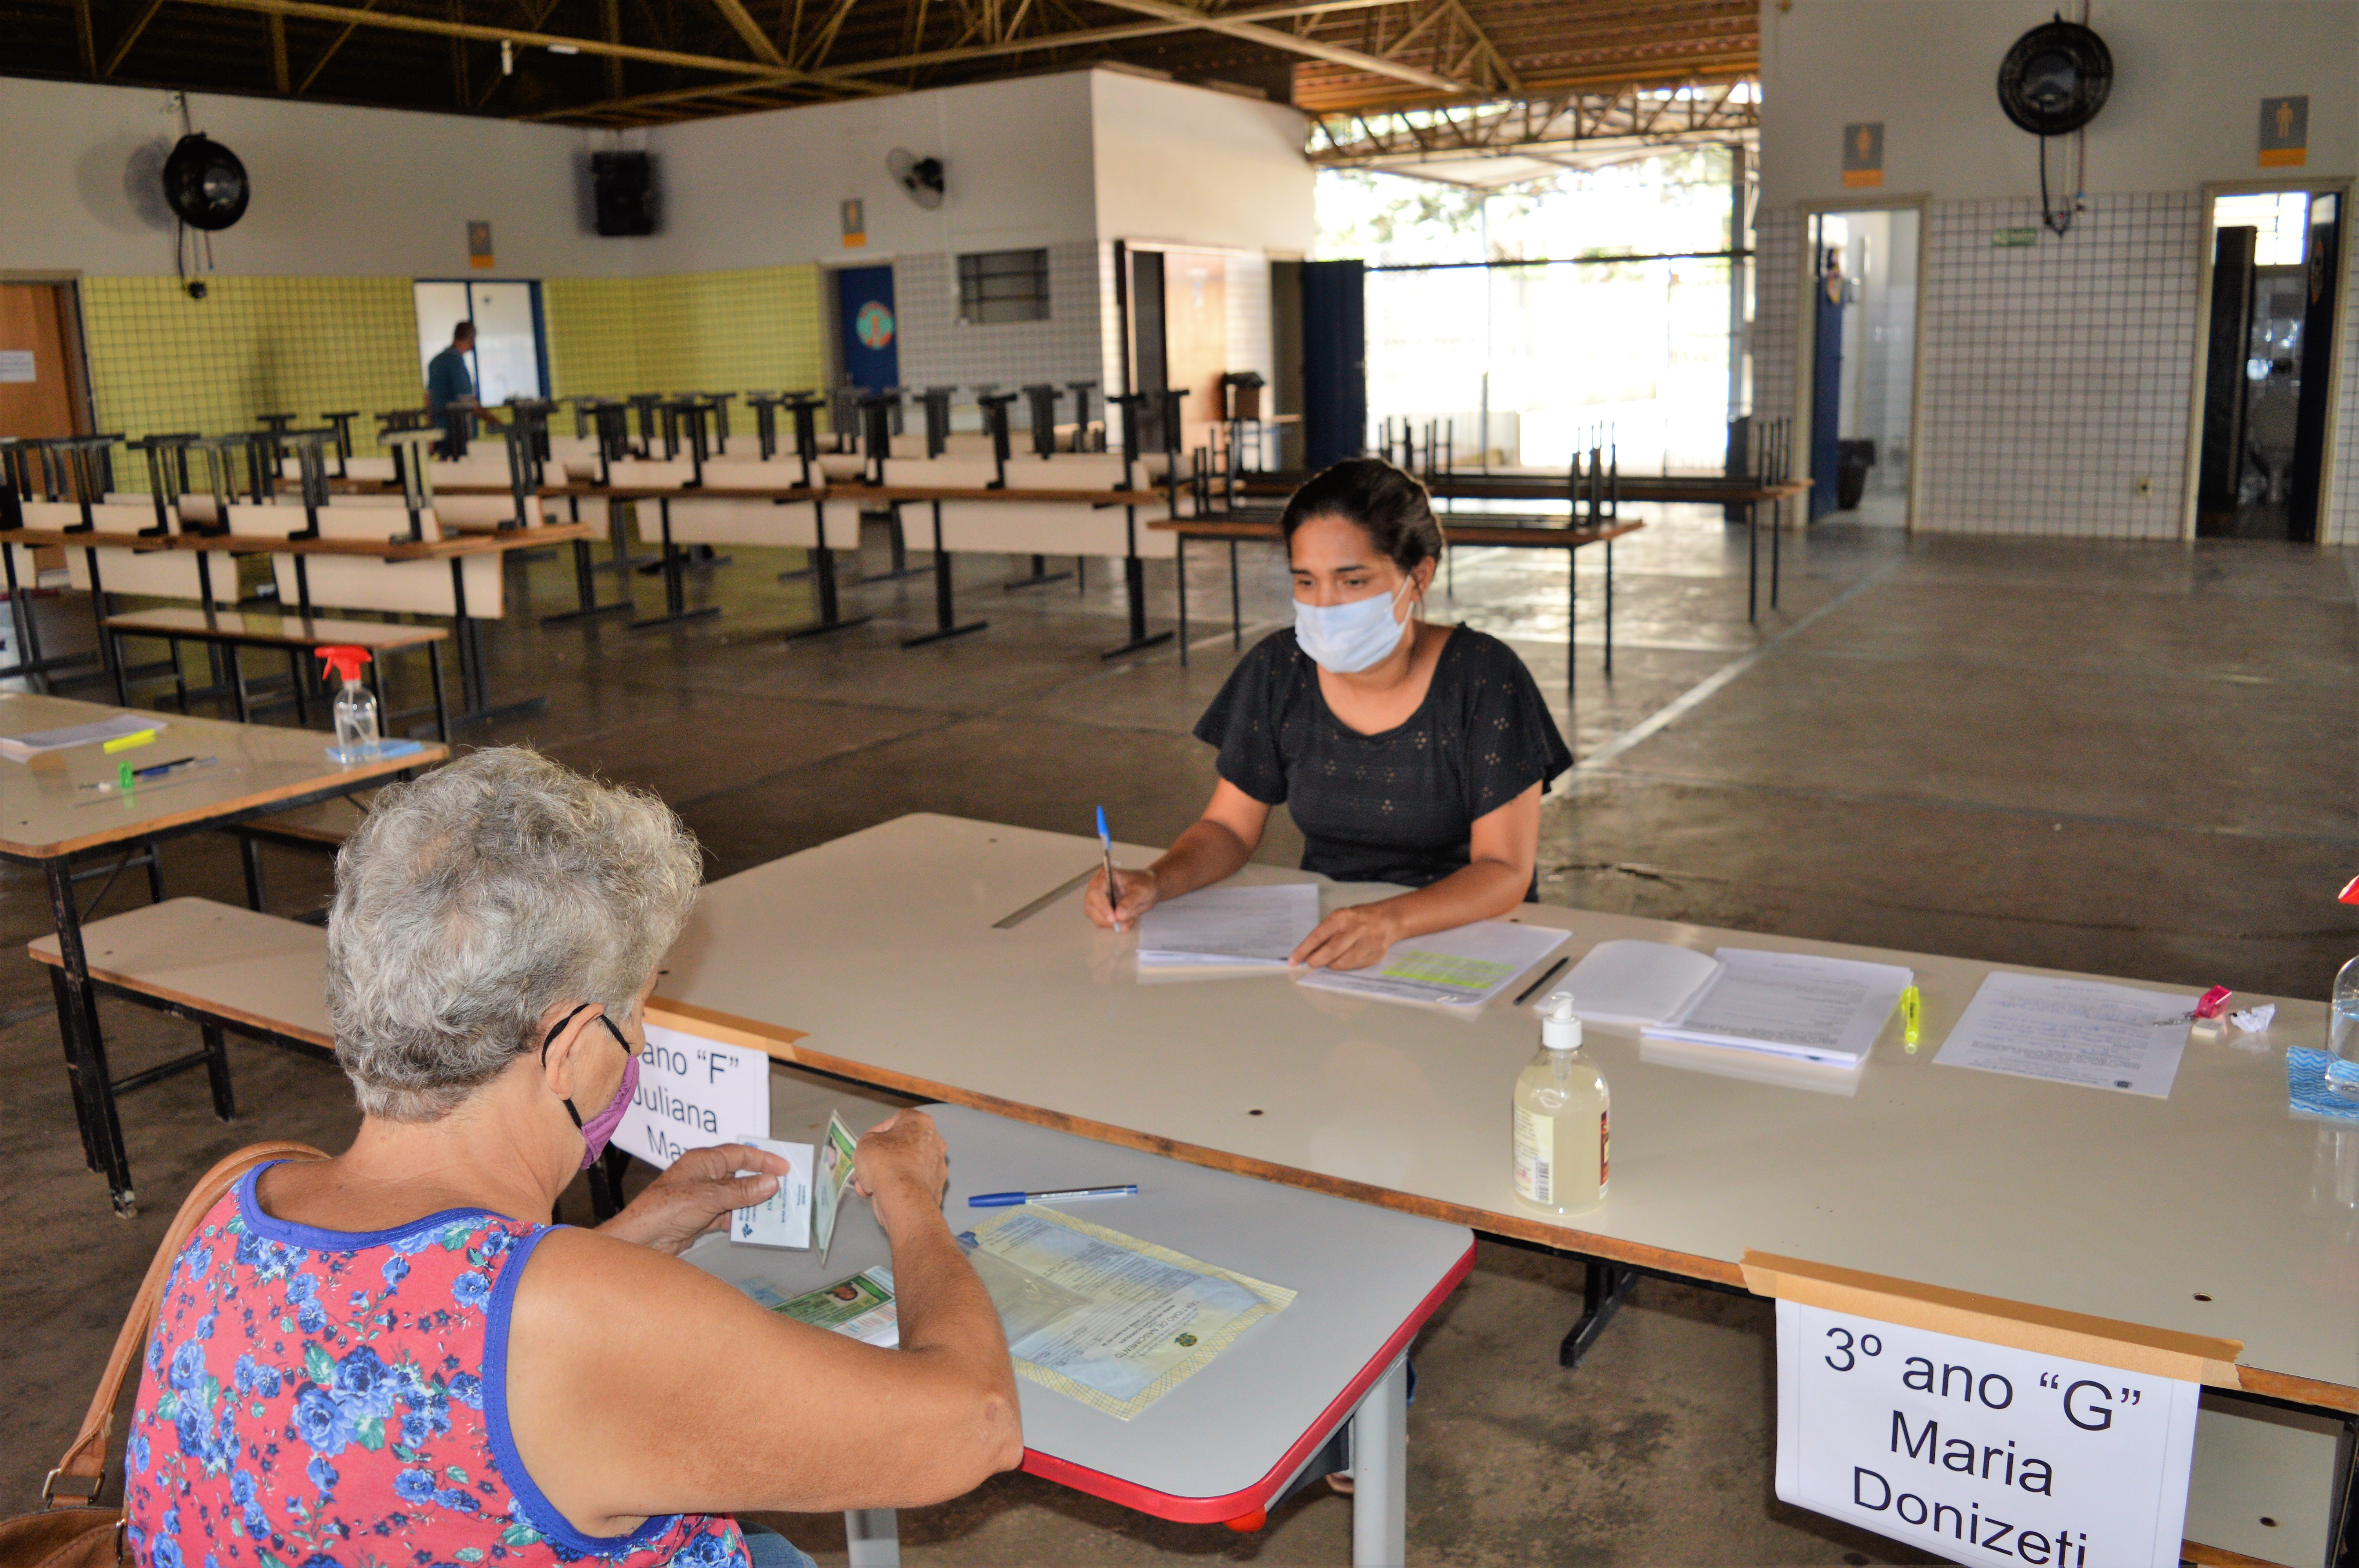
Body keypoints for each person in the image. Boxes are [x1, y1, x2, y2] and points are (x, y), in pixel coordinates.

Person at [123, 750, 1021, 1568]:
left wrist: (630, 1233)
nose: (637, 1041)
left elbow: (422, 1334)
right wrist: (909, 1195)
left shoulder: (230, 1210)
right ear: (566, 1045)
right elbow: (976, 1425)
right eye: (635, 1012)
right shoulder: (571, 1317)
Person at [1087, 457, 1572, 969]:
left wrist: (1388, 921)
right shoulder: (1280, 669)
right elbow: (1228, 829)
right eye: (1306, 582)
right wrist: (1156, 881)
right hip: (1334, 941)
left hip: (1466, 940)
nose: (1326, 605)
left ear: (1419, 576)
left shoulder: (1484, 678)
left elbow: (1504, 871)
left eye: (1353, 582)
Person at [425, 321, 500, 457]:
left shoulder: (435, 362)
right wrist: (494, 421)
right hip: (457, 434)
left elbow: (428, 398)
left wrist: (431, 429)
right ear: (472, 340)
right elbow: (468, 402)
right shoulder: (456, 364)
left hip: (440, 430)